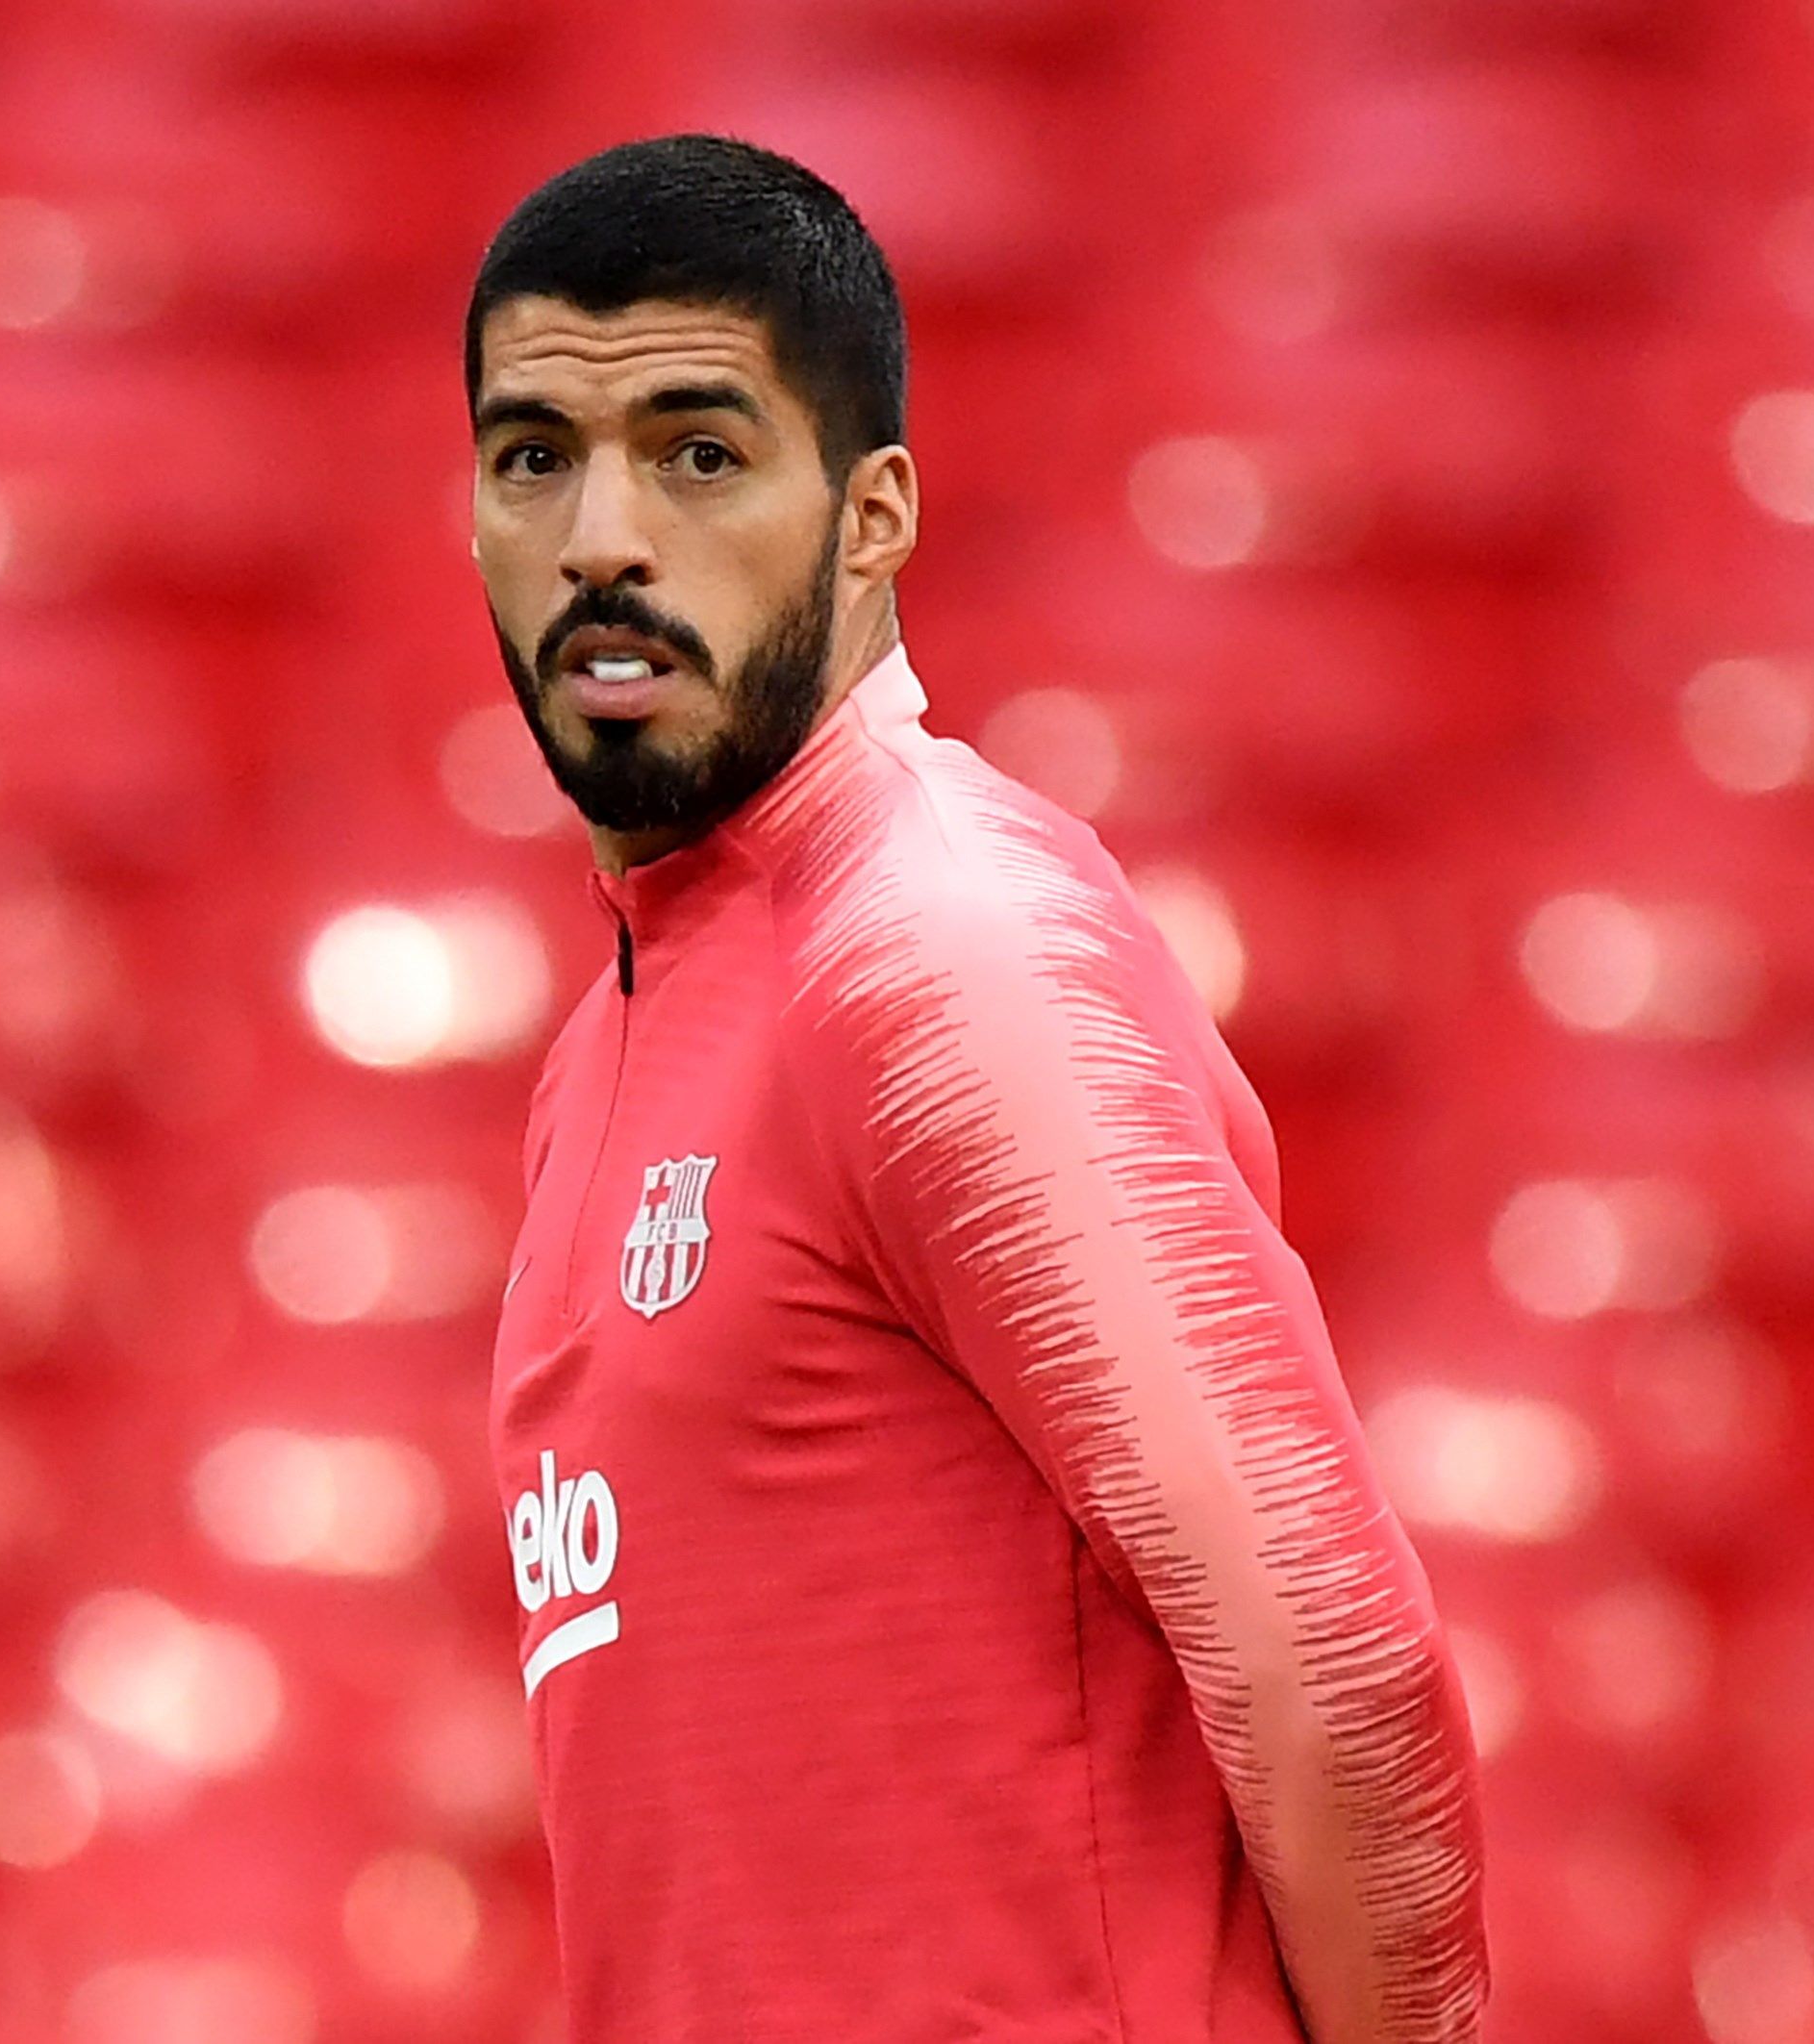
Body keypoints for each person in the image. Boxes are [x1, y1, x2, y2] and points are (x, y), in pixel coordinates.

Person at [467, 137, 1485, 2043]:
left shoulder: (940, 956)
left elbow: (1328, 1659)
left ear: (870, 522)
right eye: (535, 455)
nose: (602, 534)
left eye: (696, 452)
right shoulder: (610, 1038)